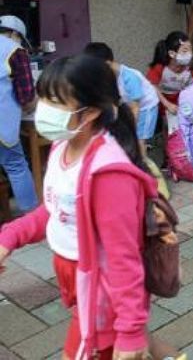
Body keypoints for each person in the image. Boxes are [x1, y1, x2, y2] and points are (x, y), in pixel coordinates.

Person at [0, 54, 158, 360]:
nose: (43, 109)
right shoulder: (63, 146)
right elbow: (57, 208)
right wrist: (10, 237)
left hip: (102, 287)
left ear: (91, 112)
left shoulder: (107, 173)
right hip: (78, 277)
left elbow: (123, 257)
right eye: (43, 97)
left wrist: (131, 329)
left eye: (56, 102)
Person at [83, 43, 159, 158]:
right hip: (130, 105)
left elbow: (135, 107)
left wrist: (130, 129)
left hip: (146, 107)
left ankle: (143, 168)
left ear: (107, 64)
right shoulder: (109, 76)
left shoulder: (130, 77)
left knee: (138, 139)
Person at [0, 15, 38, 216]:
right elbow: (26, 97)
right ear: (15, 34)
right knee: (16, 167)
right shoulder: (15, 51)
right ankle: (32, 217)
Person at [147, 31, 193, 117]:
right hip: (163, 104)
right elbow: (151, 86)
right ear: (172, 54)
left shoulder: (191, 68)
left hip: (185, 104)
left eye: (190, 50)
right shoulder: (160, 68)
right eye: (185, 51)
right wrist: (167, 104)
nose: (190, 54)